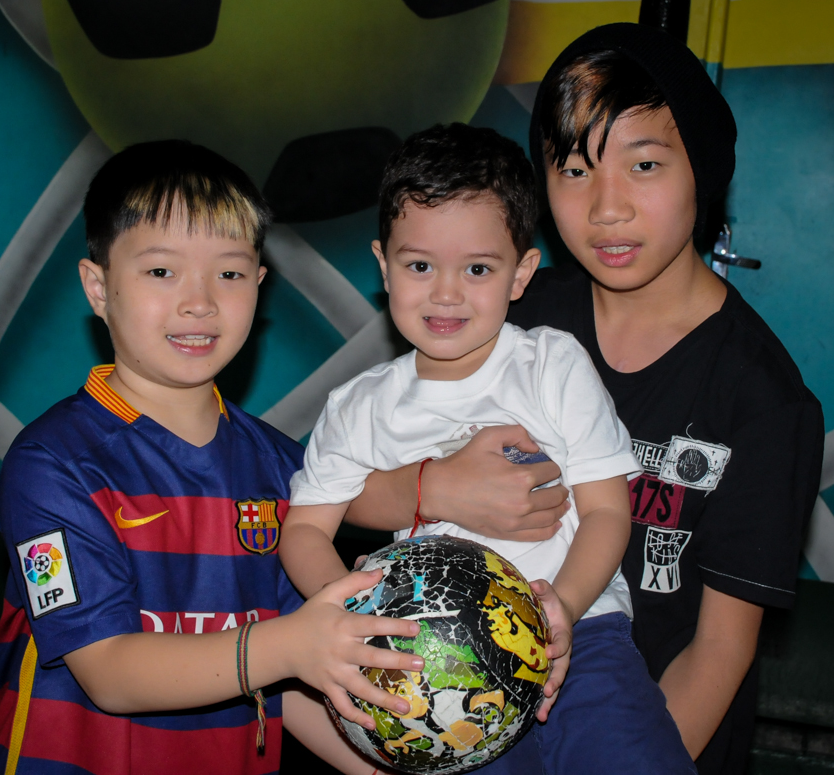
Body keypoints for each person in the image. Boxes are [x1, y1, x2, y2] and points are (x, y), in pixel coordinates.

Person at [344, 24, 824, 775]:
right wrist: (433, 488)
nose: (606, 207)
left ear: (705, 169)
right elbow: (344, 501)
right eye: (573, 169)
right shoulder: (504, 314)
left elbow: (719, 647)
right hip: (476, 726)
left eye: (643, 164)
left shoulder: (762, 397)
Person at [0, 140, 426, 775]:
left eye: (229, 272)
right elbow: (108, 671)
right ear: (99, 286)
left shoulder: (280, 466)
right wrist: (288, 647)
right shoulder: (50, 464)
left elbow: (293, 678)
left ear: (259, 284)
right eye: (161, 272)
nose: (200, 301)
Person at [280, 122, 696, 774]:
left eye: (477, 268)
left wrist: (564, 605)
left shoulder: (552, 364)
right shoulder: (358, 406)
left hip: (581, 639)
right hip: (437, 665)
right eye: (420, 266)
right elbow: (302, 529)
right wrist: (356, 609)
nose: (446, 293)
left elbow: (611, 510)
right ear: (384, 265)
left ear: (522, 273)